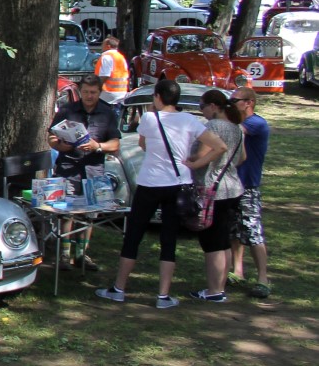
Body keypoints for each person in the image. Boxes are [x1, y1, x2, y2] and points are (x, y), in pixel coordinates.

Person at [97, 79, 205, 309]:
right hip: (178, 183)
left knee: (134, 234)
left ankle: (119, 288)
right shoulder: (189, 120)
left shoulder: (149, 118)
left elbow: (144, 144)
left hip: (150, 183)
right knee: (169, 239)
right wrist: (195, 162)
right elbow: (218, 145)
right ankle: (163, 295)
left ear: (157, 97)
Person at [47, 73, 123, 264]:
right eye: (86, 92)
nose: (90, 96)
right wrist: (59, 146)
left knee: (90, 213)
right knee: (67, 211)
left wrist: (97, 146)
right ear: (80, 91)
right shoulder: (67, 110)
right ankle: (65, 254)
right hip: (68, 166)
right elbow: (51, 137)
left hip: (94, 168)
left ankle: (81, 254)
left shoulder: (107, 113)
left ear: (100, 92)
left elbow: (115, 144)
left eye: (94, 92)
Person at [186, 89, 245, 303]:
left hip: (213, 189)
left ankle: (213, 290)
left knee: (211, 242)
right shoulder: (237, 128)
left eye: (202, 107)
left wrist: (190, 161)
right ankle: (219, 287)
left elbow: (201, 155)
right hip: (233, 187)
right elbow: (241, 158)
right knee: (223, 240)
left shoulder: (212, 127)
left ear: (212, 106)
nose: (202, 112)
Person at [229, 89, 271, 298]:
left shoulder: (257, 123)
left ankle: (263, 278)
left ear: (249, 103)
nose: (231, 104)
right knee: (234, 231)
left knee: (253, 232)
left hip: (249, 187)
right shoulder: (238, 122)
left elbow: (235, 131)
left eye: (234, 101)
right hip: (233, 185)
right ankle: (237, 271)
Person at [96, 36, 129, 104]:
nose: (101, 46)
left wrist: (96, 87)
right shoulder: (121, 57)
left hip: (108, 94)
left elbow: (105, 75)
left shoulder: (106, 57)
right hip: (122, 92)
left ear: (108, 46)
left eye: (103, 44)